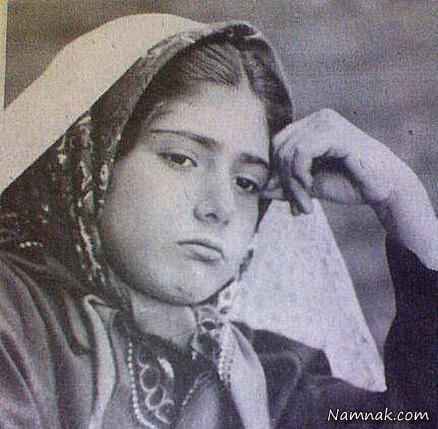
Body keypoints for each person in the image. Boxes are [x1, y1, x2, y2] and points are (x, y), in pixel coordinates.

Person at [0, 13, 436, 429]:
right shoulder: (16, 321)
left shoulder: (262, 379)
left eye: (247, 183)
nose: (220, 208)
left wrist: (400, 198)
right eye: (180, 158)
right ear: (96, 157)